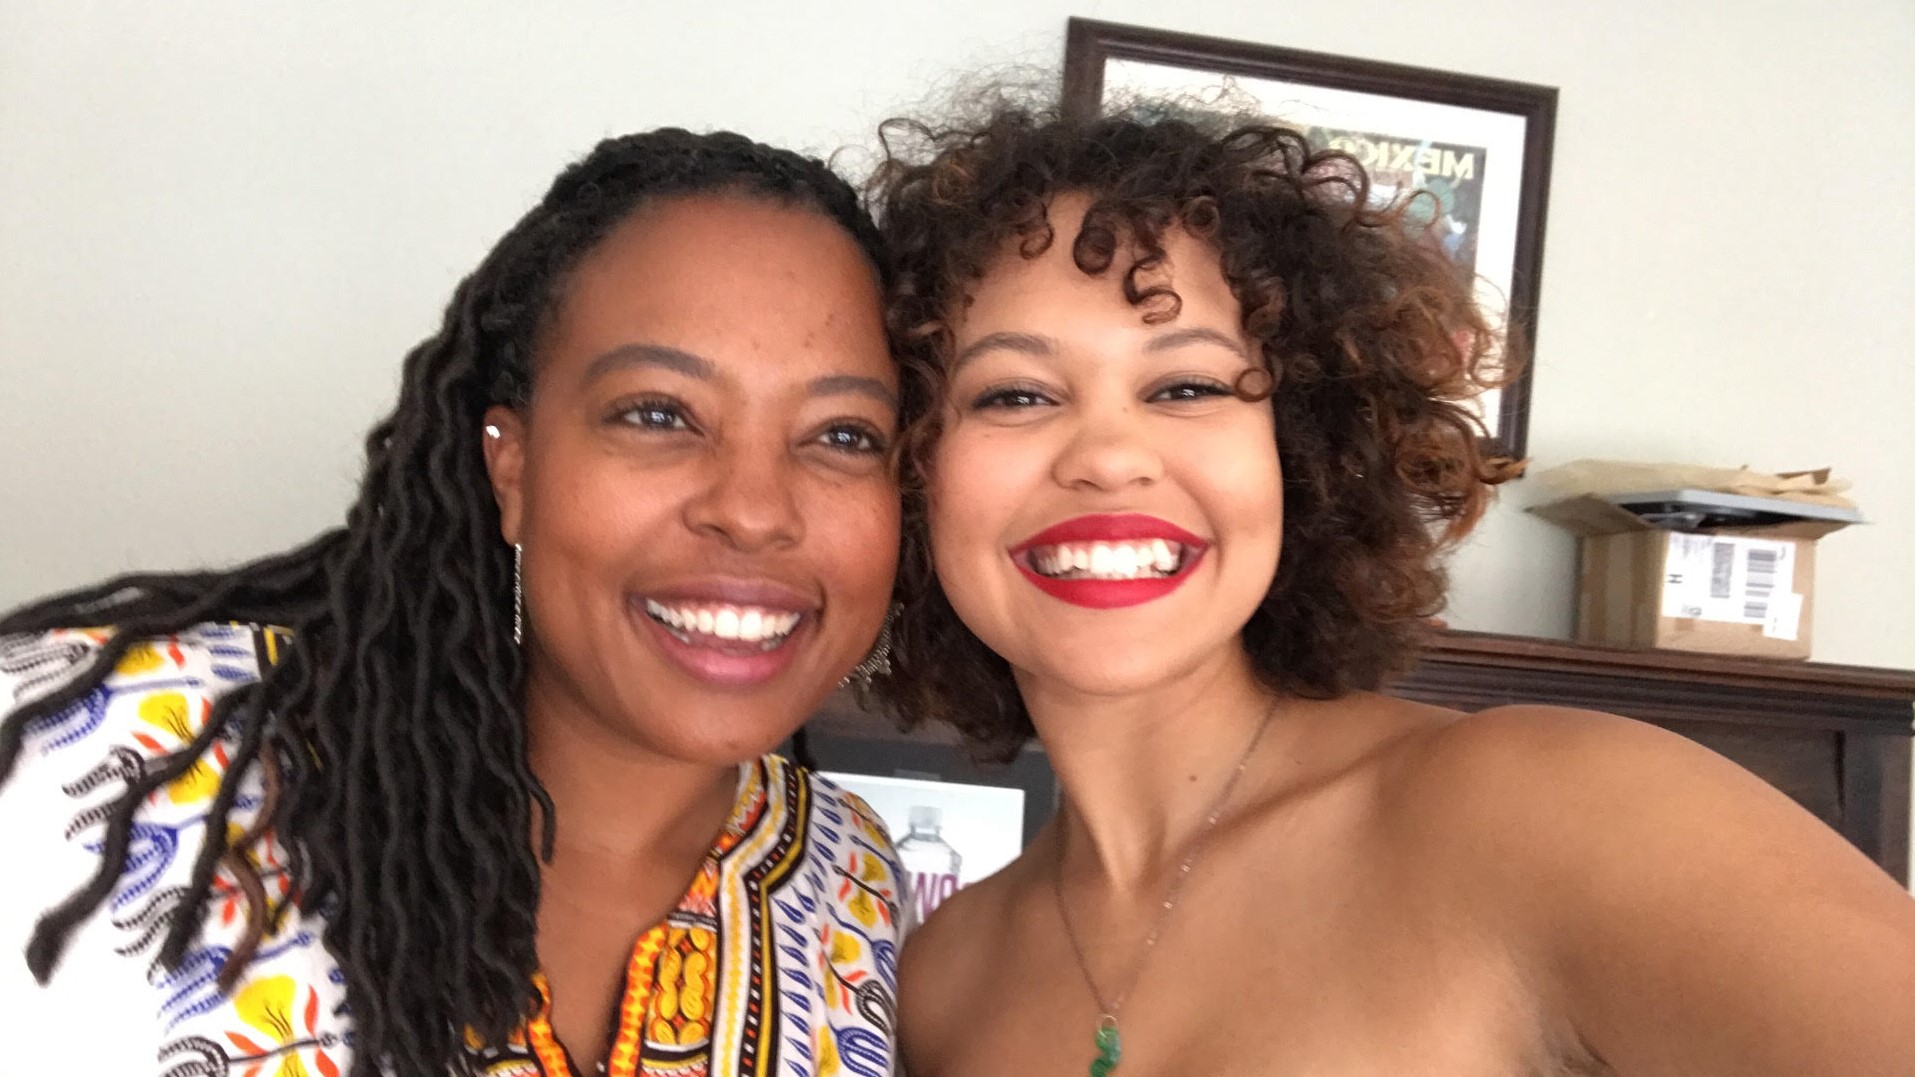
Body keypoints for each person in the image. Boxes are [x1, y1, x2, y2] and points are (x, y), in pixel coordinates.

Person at [870, 101, 1915, 1075]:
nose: (1106, 456)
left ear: (1301, 451)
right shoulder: (943, 974)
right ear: (908, 468)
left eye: (1186, 385)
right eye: (1013, 395)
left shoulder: (1553, 813)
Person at [0, 128, 907, 1077]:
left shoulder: (850, 881)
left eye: (843, 434)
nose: (754, 511)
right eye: (657, 413)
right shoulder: (88, 756)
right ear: (510, 465)